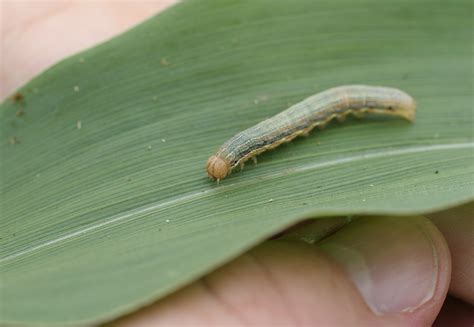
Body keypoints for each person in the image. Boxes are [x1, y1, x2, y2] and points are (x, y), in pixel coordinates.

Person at [2, 3, 472, 325]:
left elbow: (323, 110)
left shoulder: (257, 143)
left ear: (240, 156)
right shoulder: (249, 146)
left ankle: (395, 103)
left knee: (343, 102)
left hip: (361, 99)